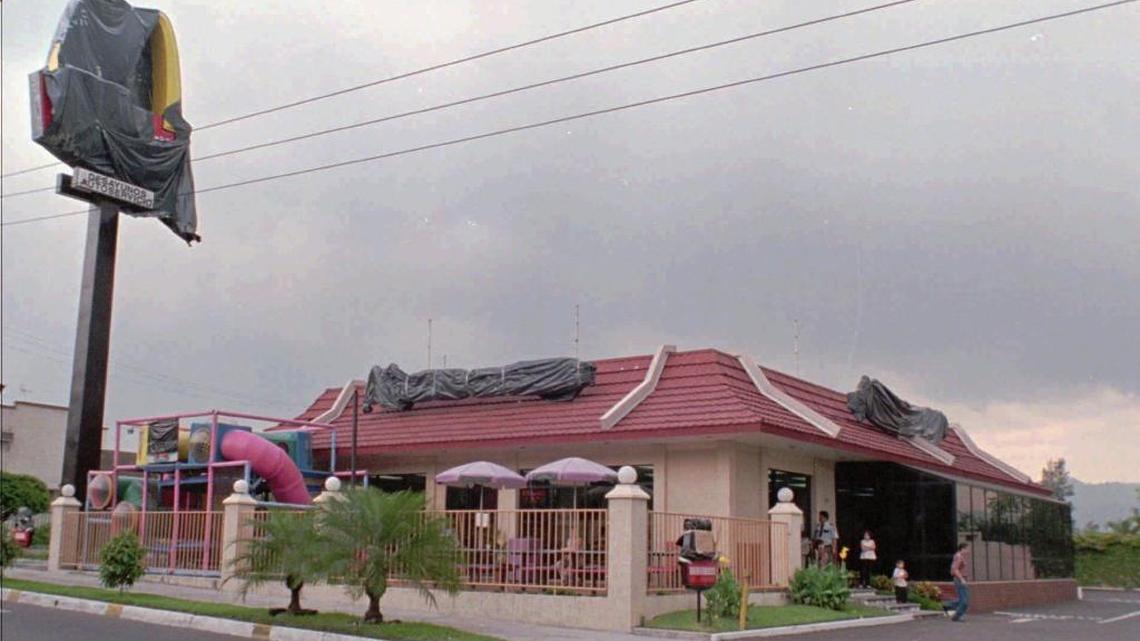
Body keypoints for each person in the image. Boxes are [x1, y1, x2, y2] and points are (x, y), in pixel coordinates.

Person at [942, 542, 970, 621]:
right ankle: (957, 616)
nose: (968, 551)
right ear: (962, 548)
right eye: (967, 549)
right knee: (964, 601)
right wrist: (962, 579)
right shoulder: (958, 556)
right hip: (959, 579)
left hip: (962, 578)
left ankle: (947, 605)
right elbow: (955, 569)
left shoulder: (960, 556)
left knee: (963, 599)